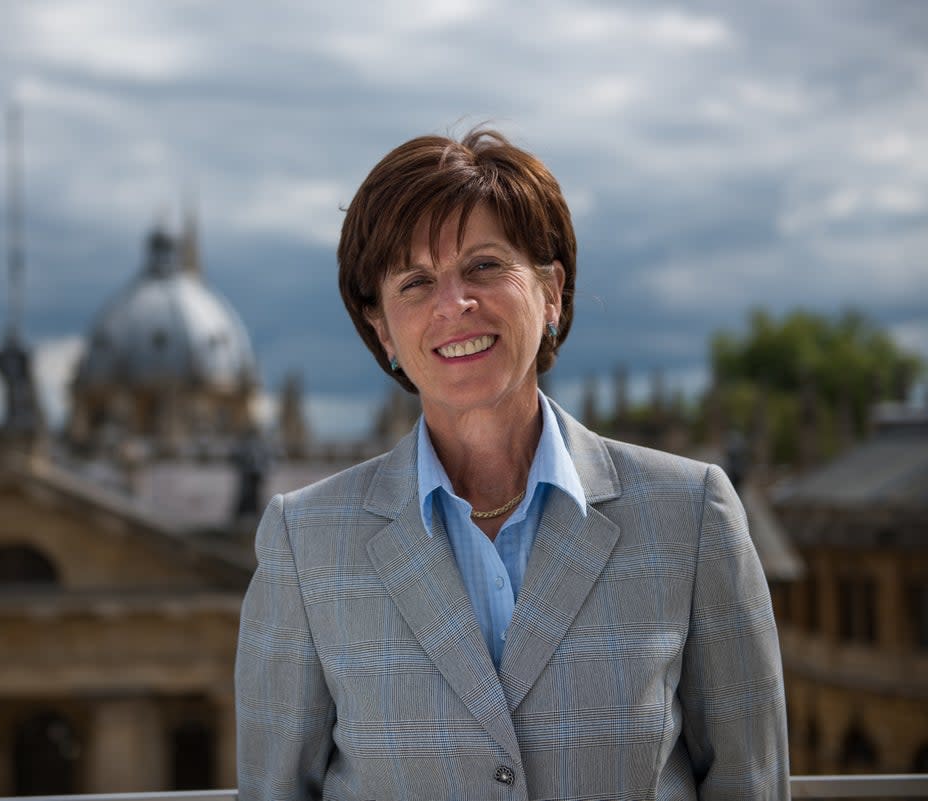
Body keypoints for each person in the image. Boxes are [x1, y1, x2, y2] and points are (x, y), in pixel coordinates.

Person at [235, 128, 789, 800]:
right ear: (382, 328)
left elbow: (749, 783)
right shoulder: (306, 541)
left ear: (551, 292)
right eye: (415, 281)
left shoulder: (691, 512)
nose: (453, 304)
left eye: (485, 266)